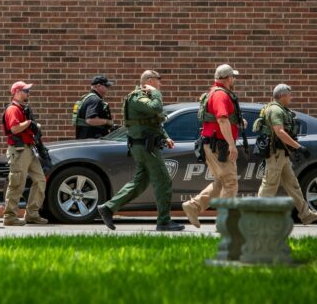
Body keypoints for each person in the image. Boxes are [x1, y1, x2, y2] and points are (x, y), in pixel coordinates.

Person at [96, 70, 184, 231]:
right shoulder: (137, 97)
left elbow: (153, 121)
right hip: (145, 146)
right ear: (150, 81)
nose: (160, 84)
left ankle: (108, 208)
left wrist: (165, 137)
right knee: (163, 180)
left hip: (145, 145)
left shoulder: (145, 97)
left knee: (140, 183)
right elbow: (156, 108)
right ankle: (164, 221)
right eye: (159, 81)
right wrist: (156, 94)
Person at [182, 64, 243, 229]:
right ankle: (224, 222)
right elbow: (222, 119)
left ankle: (193, 206)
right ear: (229, 78)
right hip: (220, 146)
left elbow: (224, 119)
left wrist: (237, 122)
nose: (235, 80)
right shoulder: (221, 95)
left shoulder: (215, 93)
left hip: (213, 144)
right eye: (233, 77)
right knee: (230, 182)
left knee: (220, 182)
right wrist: (232, 145)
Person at [255, 84, 317, 225]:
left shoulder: (279, 109)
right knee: (269, 185)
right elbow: (279, 131)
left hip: (281, 154)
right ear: (282, 96)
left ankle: (306, 214)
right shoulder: (275, 110)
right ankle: (256, 216)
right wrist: (298, 147)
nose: (291, 97)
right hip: (276, 154)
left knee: (292, 185)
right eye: (289, 95)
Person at [1, 81, 48, 226]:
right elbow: (15, 129)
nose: (28, 93)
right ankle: (10, 216)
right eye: (25, 90)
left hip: (28, 149)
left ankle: (32, 214)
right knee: (17, 183)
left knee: (40, 180)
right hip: (19, 151)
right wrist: (29, 123)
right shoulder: (13, 110)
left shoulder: (23, 109)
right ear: (16, 92)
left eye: (28, 90)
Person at [74, 75, 115, 139]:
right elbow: (90, 120)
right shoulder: (95, 100)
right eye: (106, 86)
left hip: (84, 138)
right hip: (93, 139)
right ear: (99, 86)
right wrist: (107, 122)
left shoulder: (86, 97)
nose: (108, 88)